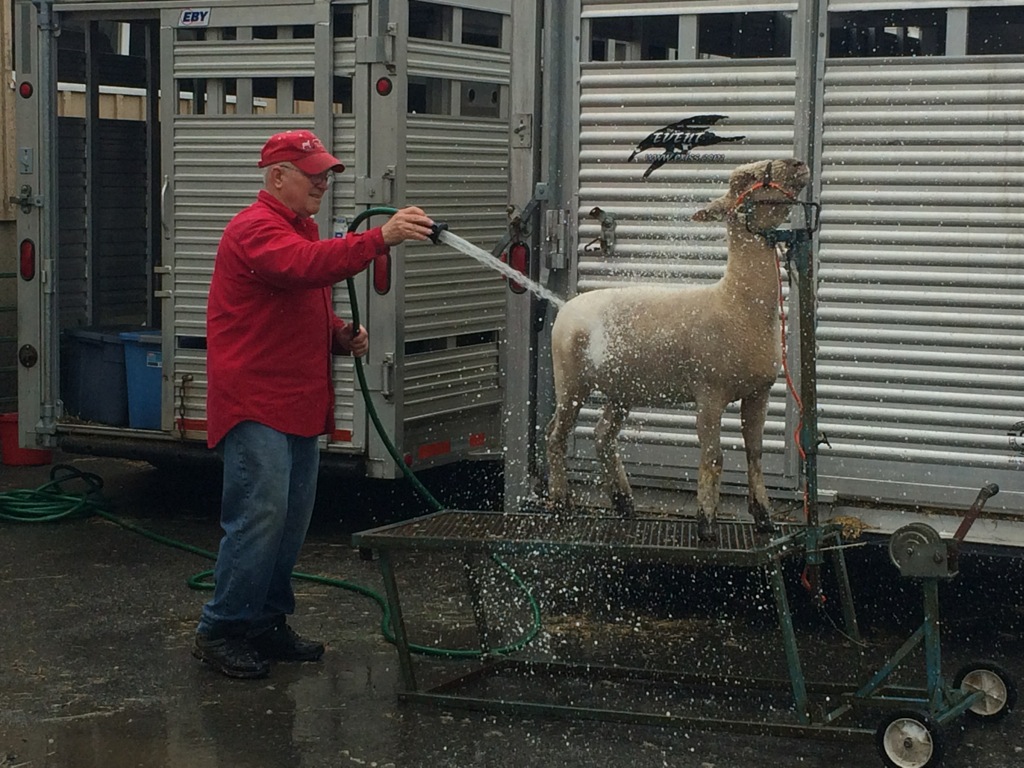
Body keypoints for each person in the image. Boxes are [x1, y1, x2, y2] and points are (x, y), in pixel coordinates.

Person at [193, 129, 434, 679]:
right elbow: (303, 267)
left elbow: (297, 294)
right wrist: (381, 238)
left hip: (295, 399)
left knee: (289, 519)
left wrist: (336, 335)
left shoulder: (298, 230)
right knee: (260, 516)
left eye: (326, 175)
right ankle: (222, 628)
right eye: (314, 175)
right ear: (278, 176)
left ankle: (264, 621)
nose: (323, 184)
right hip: (256, 400)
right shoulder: (254, 229)